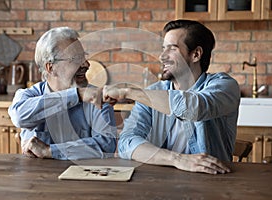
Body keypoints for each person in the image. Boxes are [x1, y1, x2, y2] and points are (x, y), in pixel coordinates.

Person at [103, 19, 241, 174]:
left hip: (211, 181)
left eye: (172, 49)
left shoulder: (225, 86)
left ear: (196, 54)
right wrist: (177, 160)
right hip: (162, 183)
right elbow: (126, 143)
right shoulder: (152, 92)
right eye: (163, 49)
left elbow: (193, 108)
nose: (162, 56)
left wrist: (127, 92)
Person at [8, 27, 116, 160]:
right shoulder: (29, 96)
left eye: (84, 57)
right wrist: (76, 95)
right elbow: (19, 117)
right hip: (36, 178)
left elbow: (107, 146)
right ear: (51, 68)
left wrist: (50, 151)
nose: (87, 64)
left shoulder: (97, 98)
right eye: (76, 59)